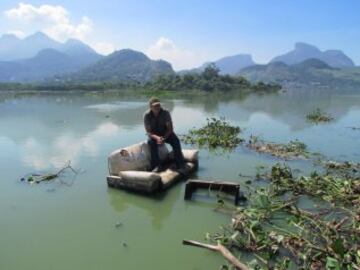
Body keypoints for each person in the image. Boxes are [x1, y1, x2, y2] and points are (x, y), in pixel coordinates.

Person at [144, 97, 185, 172]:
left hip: (166, 133)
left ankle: (179, 163)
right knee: (151, 143)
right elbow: (148, 132)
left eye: (158, 105)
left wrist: (164, 138)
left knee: (176, 141)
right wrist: (157, 138)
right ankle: (156, 165)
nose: (157, 107)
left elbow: (170, 129)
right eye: (155, 106)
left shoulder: (165, 113)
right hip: (154, 135)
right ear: (150, 106)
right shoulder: (147, 115)